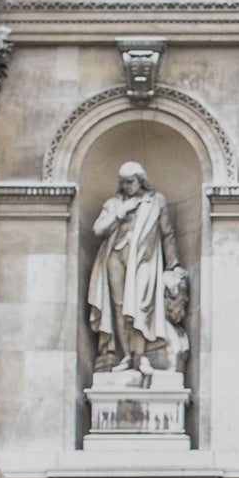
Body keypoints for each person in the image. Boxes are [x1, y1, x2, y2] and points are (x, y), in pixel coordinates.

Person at [88, 161, 186, 376]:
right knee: (120, 306)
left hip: (144, 261)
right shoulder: (114, 204)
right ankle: (126, 355)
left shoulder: (155, 202)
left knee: (141, 306)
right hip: (116, 257)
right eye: (122, 183)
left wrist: (173, 265)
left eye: (130, 182)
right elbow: (98, 229)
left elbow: (167, 234)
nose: (126, 187)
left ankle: (140, 357)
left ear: (141, 181)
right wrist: (119, 213)